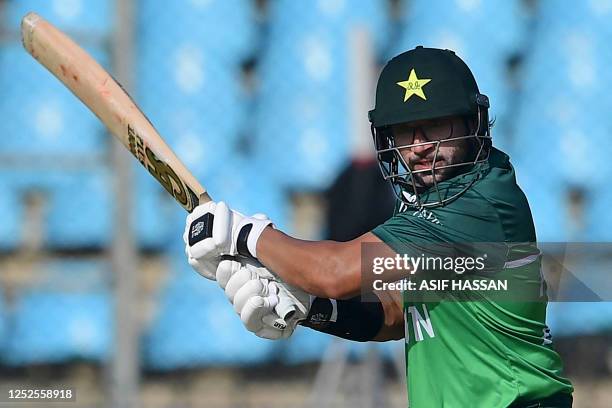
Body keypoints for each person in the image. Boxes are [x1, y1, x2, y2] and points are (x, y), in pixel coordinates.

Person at [183, 46, 574, 407]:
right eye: (405, 131)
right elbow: (395, 315)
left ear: (472, 122)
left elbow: (333, 271)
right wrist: (314, 309)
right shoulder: (447, 208)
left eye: (434, 124)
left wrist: (244, 234)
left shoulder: (477, 205)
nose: (418, 146)